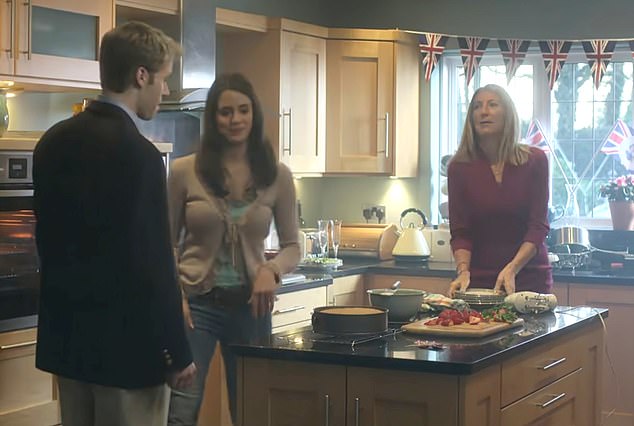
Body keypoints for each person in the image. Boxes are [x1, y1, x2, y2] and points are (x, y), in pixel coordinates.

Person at [33, 21, 196, 426]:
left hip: (68, 347)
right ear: (140, 75)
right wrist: (177, 352)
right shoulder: (139, 156)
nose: (167, 91)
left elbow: (47, 243)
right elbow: (153, 264)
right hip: (129, 355)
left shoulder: (51, 143)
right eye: (163, 79)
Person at [167, 73, 301, 425]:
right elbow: (166, 243)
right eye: (226, 112)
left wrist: (271, 271)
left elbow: (293, 247)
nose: (235, 119)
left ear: (254, 114)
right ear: (213, 118)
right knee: (182, 408)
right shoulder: (184, 171)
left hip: (251, 306)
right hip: (195, 305)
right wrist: (174, 296)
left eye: (243, 110)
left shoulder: (277, 175)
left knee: (251, 408)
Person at [447, 84, 552, 297]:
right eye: (477, 107)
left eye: (492, 105)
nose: (484, 112)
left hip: (529, 277)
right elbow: (461, 232)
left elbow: (537, 226)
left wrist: (513, 267)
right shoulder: (459, 167)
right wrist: (463, 271)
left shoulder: (535, 160)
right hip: (479, 281)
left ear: (508, 115)